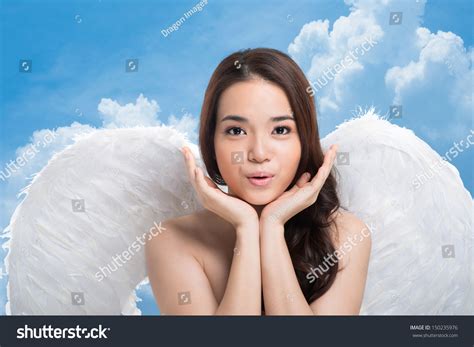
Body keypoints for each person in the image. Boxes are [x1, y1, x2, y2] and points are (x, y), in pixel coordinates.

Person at [145, 48, 371, 315]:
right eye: (236, 131)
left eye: (280, 130)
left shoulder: (346, 236)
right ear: (211, 140)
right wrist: (246, 228)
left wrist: (272, 227)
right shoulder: (172, 240)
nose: (259, 154)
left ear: (305, 139)